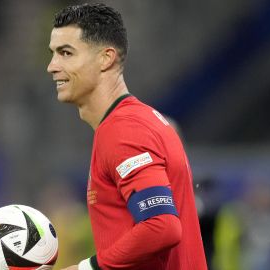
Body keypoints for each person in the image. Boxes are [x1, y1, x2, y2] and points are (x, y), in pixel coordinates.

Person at [46, 3, 207, 270]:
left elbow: (162, 226)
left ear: (106, 58)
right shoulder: (140, 120)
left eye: (66, 53)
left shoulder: (123, 131)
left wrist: (85, 268)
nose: (52, 66)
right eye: (53, 54)